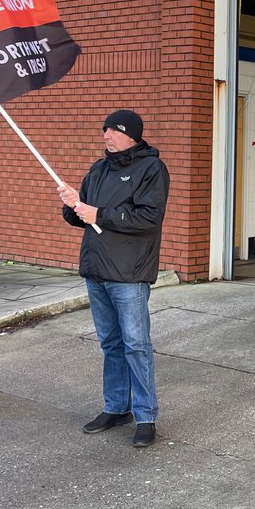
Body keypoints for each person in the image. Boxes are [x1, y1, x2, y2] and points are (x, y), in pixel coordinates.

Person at [58, 110, 170, 449]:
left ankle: (146, 415)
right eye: (105, 130)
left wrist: (100, 214)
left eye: (114, 131)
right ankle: (116, 407)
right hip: (97, 270)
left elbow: (150, 217)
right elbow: (82, 218)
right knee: (111, 344)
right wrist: (71, 205)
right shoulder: (99, 169)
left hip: (129, 273)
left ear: (132, 135)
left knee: (136, 345)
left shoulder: (151, 169)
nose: (107, 136)